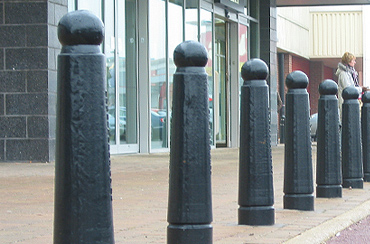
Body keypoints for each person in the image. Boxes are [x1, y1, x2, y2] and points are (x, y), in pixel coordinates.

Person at [335, 52, 366, 118]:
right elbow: (349, 89)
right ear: (348, 61)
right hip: (346, 103)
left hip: (350, 103)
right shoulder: (343, 74)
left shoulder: (349, 73)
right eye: (353, 60)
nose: (355, 62)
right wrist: (361, 89)